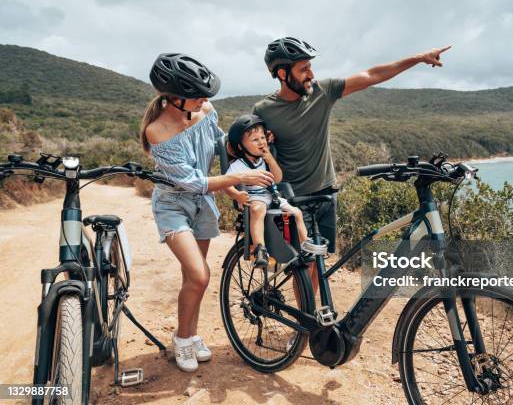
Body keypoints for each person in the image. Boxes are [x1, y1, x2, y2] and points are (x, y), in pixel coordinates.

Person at [253, 37, 451, 261]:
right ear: (282, 74)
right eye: (304, 69)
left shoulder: (323, 91)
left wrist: (420, 58)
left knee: (322, 260)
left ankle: (311, 296)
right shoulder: (264, 110)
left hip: (326, 192)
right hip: (293, 197)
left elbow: (371, 76)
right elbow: (245, 147)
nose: (311, 74)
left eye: (310, 67)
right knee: (306, 264)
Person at [141, 53, 274, 372]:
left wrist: (234, 189)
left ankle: (188, 336)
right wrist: (239, 178)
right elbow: (192, 180)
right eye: (198, 95)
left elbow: (220, 148)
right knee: (200, 274)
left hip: (203, 204)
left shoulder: (205, 111)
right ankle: (182, 339)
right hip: (173, 205)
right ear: (174, 97)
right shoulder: (157, 131)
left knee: (193, 278)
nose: (205, 100)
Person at [224, 114, 310, 268]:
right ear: (240, 147)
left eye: (263, 138)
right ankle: (259, 249)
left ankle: (305, 246)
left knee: (296, 212)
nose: (261, 142)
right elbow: (226, 183)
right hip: (254, 197)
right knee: (258, 209)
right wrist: (237, 195)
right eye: (255, 140)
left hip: (272, 196)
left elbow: (277, 178)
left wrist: (270, 160)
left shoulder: (264, 161)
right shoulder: (238, 165)